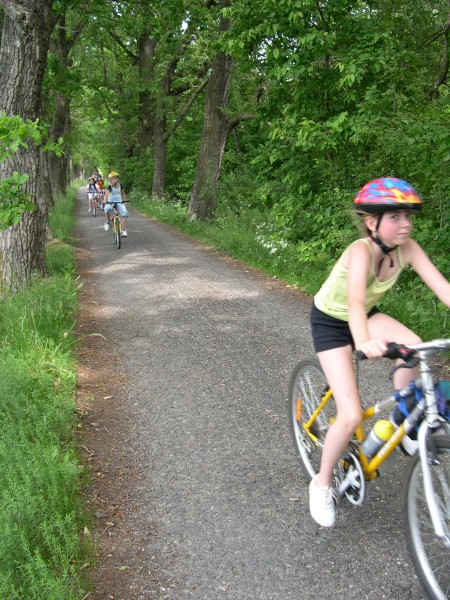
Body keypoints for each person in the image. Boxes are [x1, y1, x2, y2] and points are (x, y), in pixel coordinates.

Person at [309, 177, 450, 528]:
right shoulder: (360, 251)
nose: (406, 224)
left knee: (414, 348)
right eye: (395, 217)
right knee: (351, 415)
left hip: (367, 316)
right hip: (332, 323)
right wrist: (363, 341)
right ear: (372, 222)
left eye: (408, 216)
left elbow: (442, 287)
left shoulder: (407, 248)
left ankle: (404, 421)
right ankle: (322, 483)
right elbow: (355, 302)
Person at [103, 171, 129, 236]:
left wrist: (125, 202)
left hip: (119, 201)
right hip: (111, 202)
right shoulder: (109, 186)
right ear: (110, 180)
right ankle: (107, 222)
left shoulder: (120, 186)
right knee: (106, 209)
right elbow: (106, 194)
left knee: (125, 213)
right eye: (113, 178)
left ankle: (124, 230)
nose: (114, 179)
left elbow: (123, 194)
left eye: (116, 178)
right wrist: (105, 200)